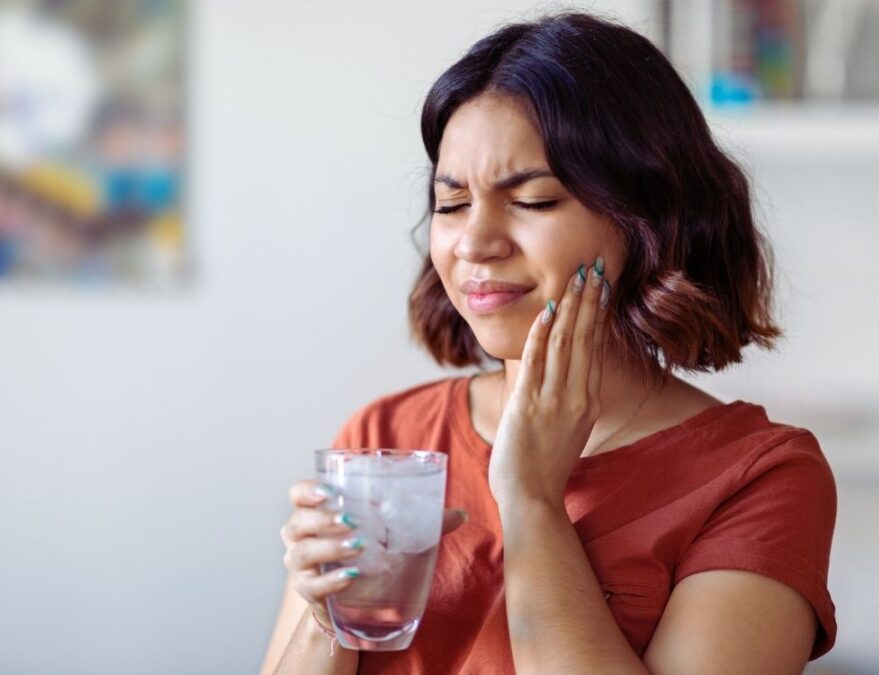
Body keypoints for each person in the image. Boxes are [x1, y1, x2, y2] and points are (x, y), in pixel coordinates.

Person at [261, 11, 837, 675]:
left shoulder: (760, 475)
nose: (475, 242)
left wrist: (530, 496)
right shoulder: (384, 435)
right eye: (451, 205)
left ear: (647, 218)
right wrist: (327, 612)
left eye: (532, 200)